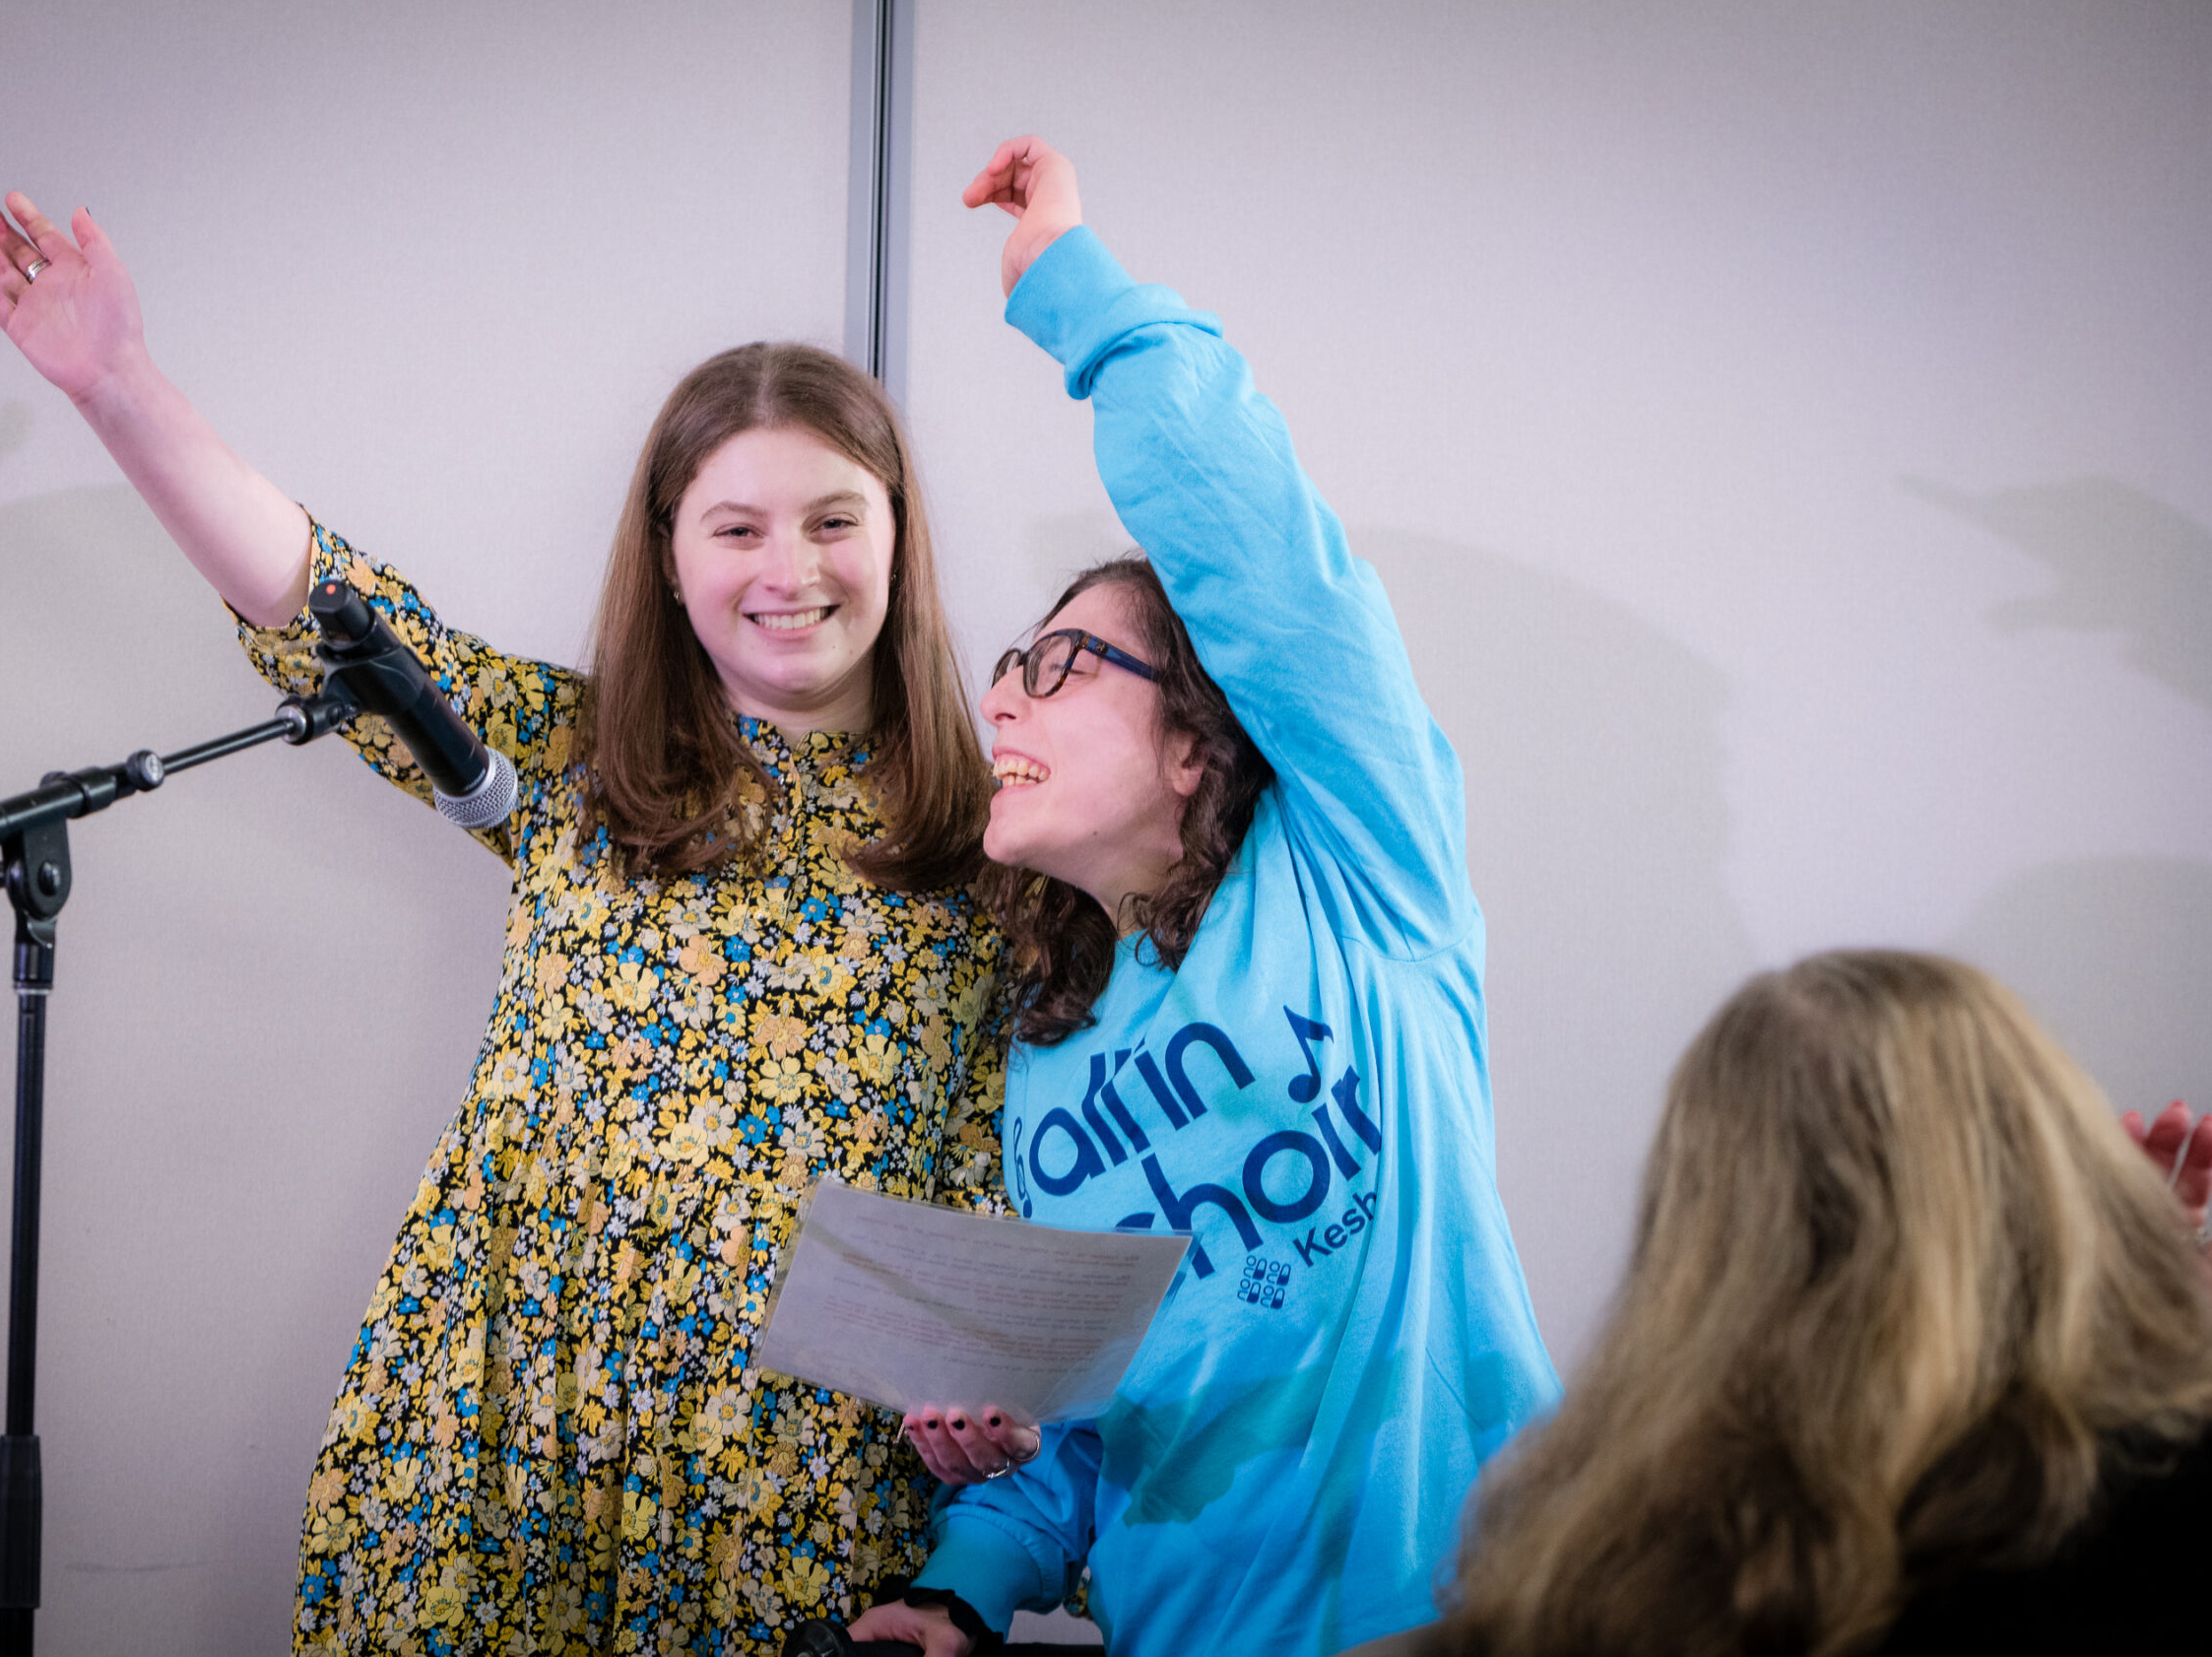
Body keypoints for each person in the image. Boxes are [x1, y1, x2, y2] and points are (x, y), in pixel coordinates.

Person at [0, 195, 1012, 1655]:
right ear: (666, 554)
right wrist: (117, 384)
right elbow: (324, 603)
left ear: (898, 535)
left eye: (837, 517)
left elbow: (997, 1170)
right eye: (737, 526)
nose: (793, 568)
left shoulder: (995, 839)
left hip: (800, 1465)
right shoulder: (572, 761)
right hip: (509, 1410)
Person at [851, 137, 1561, 1657]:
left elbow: (1270, 565)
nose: (1008, 703)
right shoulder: (1045, 1055)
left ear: (1194, 736)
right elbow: (1104, 1433)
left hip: (1486, 1603)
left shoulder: (1365, 872)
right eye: (1007, 670)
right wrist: (964, 1574)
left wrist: (1082, 303)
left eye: (1061, 665)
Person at [1427, 952, 2212, 1656]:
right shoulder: (2133, 1507)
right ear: (2055, 1168)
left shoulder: (1570, 1573)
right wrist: (2153, 1318)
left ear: (1700, 1236)